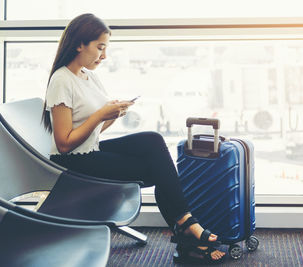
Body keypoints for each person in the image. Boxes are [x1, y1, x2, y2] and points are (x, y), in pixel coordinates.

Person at [41, 13, 225, 264]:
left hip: (89, 150)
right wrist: (100, 115)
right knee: (158, 170)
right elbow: (64, 143)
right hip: (72, 161)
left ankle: (184, 226)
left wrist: (113, 115)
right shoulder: (61, 80)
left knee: (152, 140)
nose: (104, 56)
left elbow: (92, 132)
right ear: (79, 44)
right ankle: (186, 229)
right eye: (100, 47)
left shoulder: (89, 76)